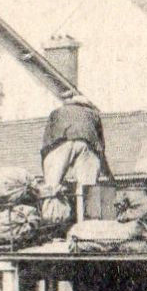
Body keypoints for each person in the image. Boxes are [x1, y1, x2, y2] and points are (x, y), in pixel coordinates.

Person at [41, 93, 109, 221]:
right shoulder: (93, 114)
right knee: (87, 188)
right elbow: (101, 145)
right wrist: (106, 172)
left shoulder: (56, 112)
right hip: (87, 145)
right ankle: (88, 222)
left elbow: (47, 141)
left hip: (61, 142)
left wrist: (46, 166)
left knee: (52, 185)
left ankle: (50, 220)